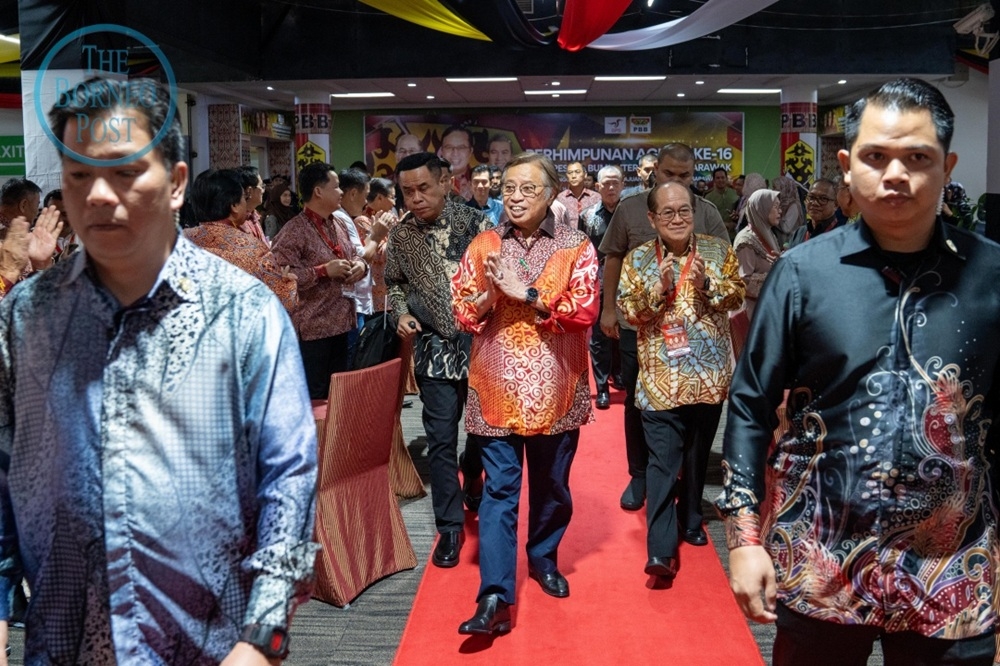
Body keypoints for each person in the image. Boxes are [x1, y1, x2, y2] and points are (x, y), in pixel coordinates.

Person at [0, 76, 317, 665]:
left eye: (123, 172)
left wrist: (263, 635)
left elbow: (290, 477)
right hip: (62, 643)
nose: (97, 194)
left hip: (208, 645)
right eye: (77, 176)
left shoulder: (242, 312)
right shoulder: (25, 316)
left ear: (174, 185)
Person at [717, 77, 1000, 666]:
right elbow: (748, 404)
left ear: (946, 165)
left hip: (951, 569)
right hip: (822, 555)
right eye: (875, 157)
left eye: (917, 157)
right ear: (847, 167)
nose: (894, 174)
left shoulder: (992, 274)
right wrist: (743, 539)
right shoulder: (801, 273)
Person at [452, 152, 599, 635]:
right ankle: (494, 593)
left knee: (553, 487)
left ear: (552, 193)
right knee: (498, 490)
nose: (514, 197)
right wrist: (492, 297)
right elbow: (462, 312)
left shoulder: (576, 246)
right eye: (508, 188)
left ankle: (543, 557)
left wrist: (527, 293)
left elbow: (584, 311)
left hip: (557, 389)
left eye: (527, 189)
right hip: (495, 391)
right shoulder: (484, 245)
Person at [618, 182, 743, 579]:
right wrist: (658, 291)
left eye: (684, 210)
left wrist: (709, 286)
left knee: (695, 453)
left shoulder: (717, 250)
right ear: (652, 218)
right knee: (661, 461)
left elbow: (736, 297)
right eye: (668, 212)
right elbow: (629, 313)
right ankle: (660, 548)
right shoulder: (638, 259)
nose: (677, 218)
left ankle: (691, 517)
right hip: (660, 376)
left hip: (707, 375)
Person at [598, 142, 729, 516]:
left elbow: (725, 265)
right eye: (669, 173)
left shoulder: (705, 212)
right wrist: (608, 309)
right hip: (638, 322)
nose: (677, 181)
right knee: (639, 403)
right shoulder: (631, 209)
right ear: (656, 171)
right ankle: (639, 475)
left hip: (692, 332)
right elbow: (613, 259)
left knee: (690, 408)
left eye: (684, 176)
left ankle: (683, 485)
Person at [385, 152, 491, 568]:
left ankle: (475, 468)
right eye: (407, 191)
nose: (415, 198)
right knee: (441, 441)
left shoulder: (477, 225)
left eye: (423, 188)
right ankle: (449, 528)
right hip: (434, 350)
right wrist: (400, 313)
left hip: (481, 348)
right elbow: (393, 283)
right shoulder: (401, 236)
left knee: (483, 436)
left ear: (446, 182)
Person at [271, 162, 366, 399]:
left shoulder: (340, 222)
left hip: (343, 323)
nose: (342, 191)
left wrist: (359, 267)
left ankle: (335, 437)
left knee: (338, 395)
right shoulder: (295, 230)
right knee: (316, 397)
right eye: (336, 187)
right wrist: (322, 271)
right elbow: (279, 277)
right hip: (313, 329)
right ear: (318, 192)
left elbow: (355, 255)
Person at [185, 168, 297, 312]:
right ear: (234, 206)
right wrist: (288, 283)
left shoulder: (178, 242)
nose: (246, 202)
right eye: (244, 197)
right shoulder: (252, 250)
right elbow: (284, 300)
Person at [580, 165, 625, 410]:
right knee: (599, 338)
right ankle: (602, 387)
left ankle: (619, 374)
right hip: (598, 284)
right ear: (597, 187)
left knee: (622, 333)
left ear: (622, 185)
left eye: (615, 183)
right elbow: (583, 252)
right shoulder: (587, 216)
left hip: (627, 284)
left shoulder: (629, 213)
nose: (610, 187)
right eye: (605, 183)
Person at [731, 188, 781, 321]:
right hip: (751, 314)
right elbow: (743, 281)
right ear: (761, 208)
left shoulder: (768, 234)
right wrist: (775, 279)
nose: (780, 211)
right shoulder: (746, 241)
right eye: (775, 207)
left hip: (765, 309)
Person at [787, 178, 842, 248]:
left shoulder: (842, 236)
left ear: (836, 204)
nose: (815, 203)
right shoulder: (799, 232)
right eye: (811, 197)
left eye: (823, 199)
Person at [556, 161, 600, 227]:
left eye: (577, 172)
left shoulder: (596, 197)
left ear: (585, 175)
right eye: (570, 173)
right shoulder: (560, 198)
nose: (573, 176)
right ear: (566, 176)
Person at [438, 126, 475, 200]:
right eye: (449, 147)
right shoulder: (430, 180)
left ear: (470, 151)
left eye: (461, 147)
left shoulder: (483, 180)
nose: (455, 153)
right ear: (442, 151)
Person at [704, 167, 740, 238]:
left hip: (734, 235)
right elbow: (706, 218)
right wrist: (724, 224)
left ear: (726, 179)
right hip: (715, 235)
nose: (720, 180)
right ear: (714, 180)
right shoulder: (708, 197)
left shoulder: (735, 194)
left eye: (723, 177)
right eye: (718, 178)